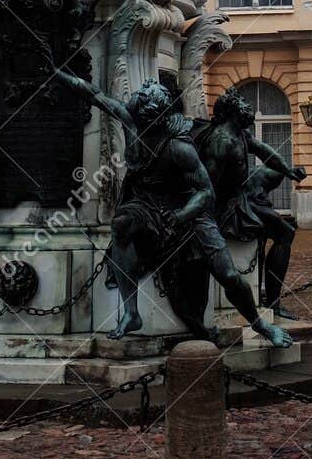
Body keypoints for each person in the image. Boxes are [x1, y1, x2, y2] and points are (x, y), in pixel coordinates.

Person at [48, 68, 291, 348]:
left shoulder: (179, 147)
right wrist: (56, 73)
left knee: (229, 275)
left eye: (139, 100)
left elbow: (206, 193)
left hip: (188, 208)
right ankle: (131, 313)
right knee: (121, 222)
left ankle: (260, 324)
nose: (132, 103)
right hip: (147, 203)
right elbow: (94, 94)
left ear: (152, 114)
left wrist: (180, 216)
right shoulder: (132, 123)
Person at [193, 88, 307, 318]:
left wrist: (288, 171)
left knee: (280, 222)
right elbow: (207, 184)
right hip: (227, 205)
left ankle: (273, 301)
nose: (248, 107)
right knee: (285, 233)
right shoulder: (222, 141)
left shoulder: (239, 134)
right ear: (233, 109)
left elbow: (265, 153)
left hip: (240, 195)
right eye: (243, 103)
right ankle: (273, 302)